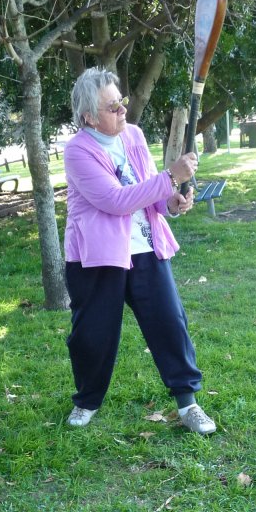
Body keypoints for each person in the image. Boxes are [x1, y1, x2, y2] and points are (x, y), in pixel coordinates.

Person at [62, 67, 216, 435]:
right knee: (93, 335)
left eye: (122, 102)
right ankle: (87, 400)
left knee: (169, 323)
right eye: (112, 107)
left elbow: (149, 191)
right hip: (97, 257)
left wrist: (172, 203)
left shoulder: (133, 135)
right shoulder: (77, 151)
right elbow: (115, 200)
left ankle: (187, 402)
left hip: (145, 247)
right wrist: (172, 177)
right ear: (88, 117)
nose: (122, 111)